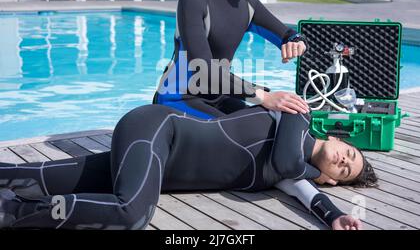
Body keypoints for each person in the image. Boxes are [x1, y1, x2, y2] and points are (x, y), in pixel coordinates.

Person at [0, 104, 377, 230]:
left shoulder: (293, 173)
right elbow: (286, 162)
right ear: (339, 139)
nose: (345, 160)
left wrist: (334, 216)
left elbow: (301, 189)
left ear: (330, 179)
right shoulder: (295, 114)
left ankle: (11, 191)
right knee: (131, 214)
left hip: (152, 162)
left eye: (345, 171)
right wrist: (313, 177)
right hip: (156, 129)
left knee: (33, 178)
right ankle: (13, 212)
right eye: (350, 154)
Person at [153, 0, 310, 119]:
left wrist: (296, 41)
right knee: (237, 133)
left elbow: (288, 34)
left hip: (219, 96)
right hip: (179, 97)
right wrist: (263, 96)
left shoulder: (248, 4)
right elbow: (202, 70)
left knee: (272, 119)